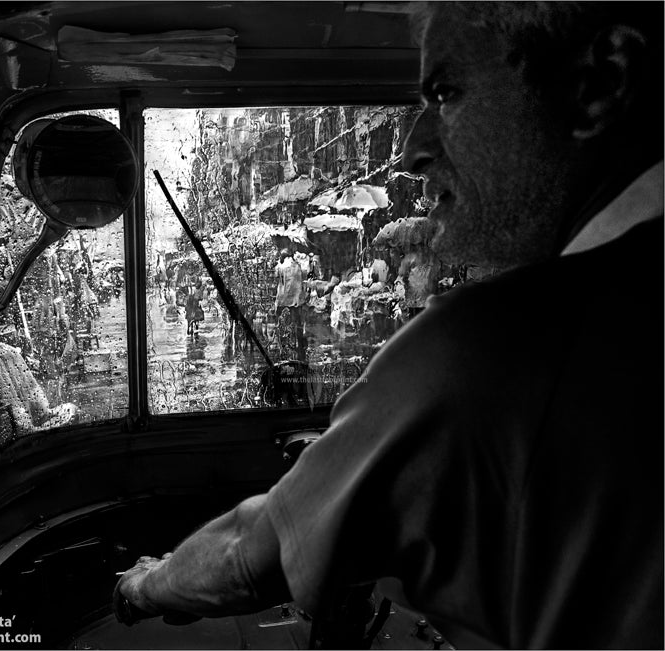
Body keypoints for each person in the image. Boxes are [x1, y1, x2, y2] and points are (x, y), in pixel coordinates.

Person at [113, 3, 663, 648]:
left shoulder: (490, 344)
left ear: (598, 84)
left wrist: (141, 585)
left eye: (446, 93)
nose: (412, 149)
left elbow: (245, 556)